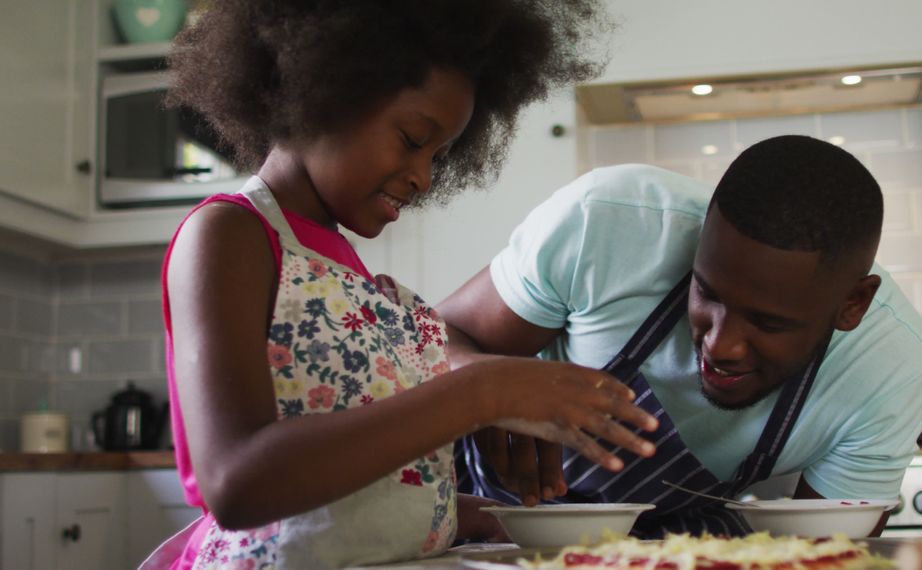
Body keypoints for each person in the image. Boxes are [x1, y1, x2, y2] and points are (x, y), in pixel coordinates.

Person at [151, 2, 661, 568]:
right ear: (324, 92)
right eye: (413, 139)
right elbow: (236, 482)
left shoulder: (358, 282)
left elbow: (359, 486)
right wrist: (482, 391)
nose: (424, 177)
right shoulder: (230, 235)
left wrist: (484, 515)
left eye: (441, 156)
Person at [441, 135, 922, 538]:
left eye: (768, 323)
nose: (722, 345)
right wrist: (490, 384)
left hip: (673, 544)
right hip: (476, 520)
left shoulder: (887, 367)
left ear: (853, 305)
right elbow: (423, 340)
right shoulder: (607, 221)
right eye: (707, 293)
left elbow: (826, 554)